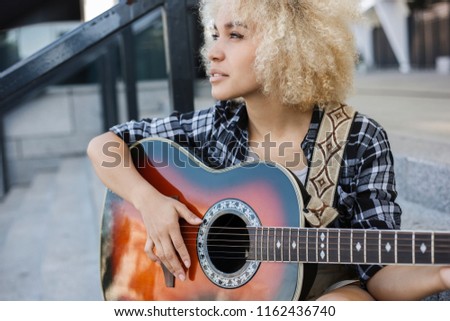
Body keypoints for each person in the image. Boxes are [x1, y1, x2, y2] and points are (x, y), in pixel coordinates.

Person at [87, 0, 450, 300]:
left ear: (288, 45)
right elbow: (103, 145)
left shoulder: (358, 138)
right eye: (215, 35)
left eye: (235, 35)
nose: (212, 52)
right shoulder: (214, 126)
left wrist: (441, 276)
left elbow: (380, 272)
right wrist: (149, 202)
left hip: (322, 292)